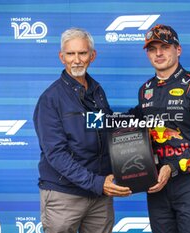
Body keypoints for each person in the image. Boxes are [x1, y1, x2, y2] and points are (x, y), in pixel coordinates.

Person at [33, 27, 131, 233]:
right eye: (70, 54)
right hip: (65, 195)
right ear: (62, 57)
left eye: (82, 53)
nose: (76, 60)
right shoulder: (50, 99)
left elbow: (103, 132)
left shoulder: (97, 92)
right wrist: (96, 182)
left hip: (99, 196)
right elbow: (56, 154)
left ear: (92, 56)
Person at [131, 24, 190, 233]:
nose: (158, 53)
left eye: (164, 46)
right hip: (156, 185)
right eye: (152, 49)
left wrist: (173, 167)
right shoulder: (145, 90)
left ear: (178, 49)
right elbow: (133, 127)